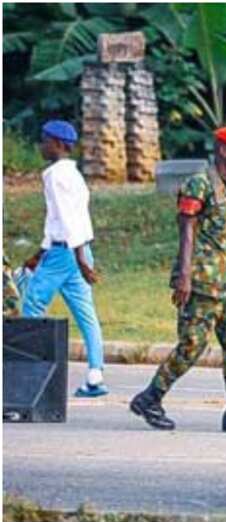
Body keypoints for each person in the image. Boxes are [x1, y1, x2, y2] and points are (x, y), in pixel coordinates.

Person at [129, 126, 226, 433]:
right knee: (192, 345)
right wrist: (183, 274)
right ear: (222, 150)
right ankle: (150, 398)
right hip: (202, 280)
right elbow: (187, 228)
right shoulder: (200, 183)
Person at [20, 120, 107, 397]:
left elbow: (66, 220)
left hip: (65, 253)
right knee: (86, 314)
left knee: (31, 307)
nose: (41, 146)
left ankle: (29, 377)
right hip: (74, 249)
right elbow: (69, 218)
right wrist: (40, 253)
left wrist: (78, 258)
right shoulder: (75, 175)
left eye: (44, 141)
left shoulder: (54, 175)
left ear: (57, 144)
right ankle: (95, 375)